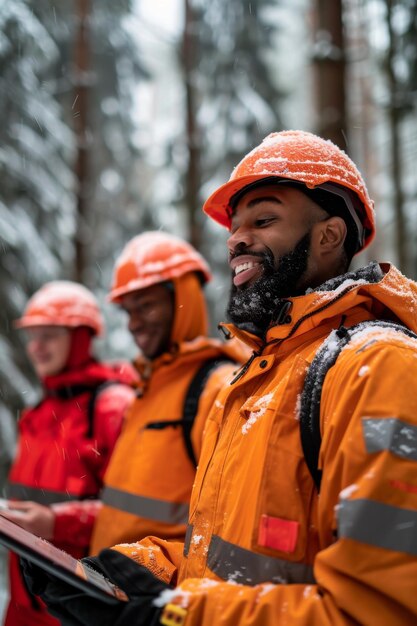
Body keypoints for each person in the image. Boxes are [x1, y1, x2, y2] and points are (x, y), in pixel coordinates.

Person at [27, 131, 417, 626]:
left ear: (329, 236)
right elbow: (222, 557)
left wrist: (175, 617)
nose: (237, 239)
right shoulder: (253, 381)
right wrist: (137, 571)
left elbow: (378, 610)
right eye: (234, 228)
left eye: (264, 219)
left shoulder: (380, 369)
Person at [89, 231, 246, 554]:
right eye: (129, 311)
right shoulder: (146, 390)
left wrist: (149, 579)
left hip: (156, 598)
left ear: (182, 302)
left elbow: (227, 533)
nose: (133, 324)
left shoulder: (216, 388)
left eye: (145, 306)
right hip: (111, 593)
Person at [2, 281, 136, 626]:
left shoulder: (112, 406)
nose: (37, 347)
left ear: (80, 338)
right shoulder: (37, 413)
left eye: (50, 335)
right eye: (33, 336)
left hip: (80, 605)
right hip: (27, 601)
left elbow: (136, 514)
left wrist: (56, 522)